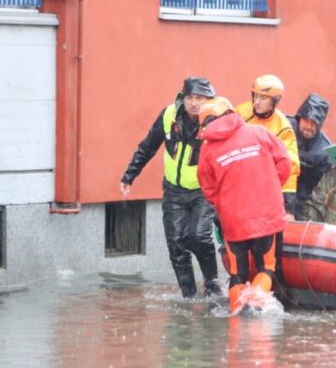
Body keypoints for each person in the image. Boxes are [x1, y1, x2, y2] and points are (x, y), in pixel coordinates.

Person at [120, 76, 220, 299]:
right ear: (182, 99)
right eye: (190, 98)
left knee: (199, 237)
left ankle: (213, 287)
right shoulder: (169, 116)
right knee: (176, 245)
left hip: (204, 191)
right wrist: (130, 175)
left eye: (200, 98)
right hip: (174, 191)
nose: (194, 103)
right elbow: (148, 146)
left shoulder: (216, 120)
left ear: (209, 100)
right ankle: (188, 295)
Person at [196, 99, 291, 313]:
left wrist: (227, 204)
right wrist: (271, 188)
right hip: (267, 217)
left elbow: (208, 189)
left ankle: (237, 316)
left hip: (233, 222)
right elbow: (285, 163)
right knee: (266, 268)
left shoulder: (207, 150)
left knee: (237, 275)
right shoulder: (259, 132)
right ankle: (255, 306)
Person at [235, 74, 300, 221]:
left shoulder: (283, 128)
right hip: (238, 184)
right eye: (255, 96)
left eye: (263, 98)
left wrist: (288, 210)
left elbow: (291, 167)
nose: (257, 102)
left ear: (275, 100)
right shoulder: (241, 112)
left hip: (263, 190)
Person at [289, 93, 332, 220]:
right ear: (299, 118)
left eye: (314, 123)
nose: (308, 126)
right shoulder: (284, 127)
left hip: (303, 201)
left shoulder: (324, 152)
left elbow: (323, 189)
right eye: (306, 121)